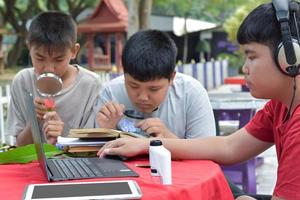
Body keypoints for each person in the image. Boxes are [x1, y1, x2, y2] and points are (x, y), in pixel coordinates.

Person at [98, 1, 300, 199]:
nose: (244, 68)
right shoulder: (280, 105)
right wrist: (146, 145)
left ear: (290, 58)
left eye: (252, 57)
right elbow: (228, 147)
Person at [95, 29, 216, 139]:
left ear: (171, 78)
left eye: (153, 89)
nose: (142, 97)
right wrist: (105, 132)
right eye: (133, 86)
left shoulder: (191, 93)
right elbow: (92, 155)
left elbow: (207, 153)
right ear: (123, 74)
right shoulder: (110, 93)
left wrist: (169, 139)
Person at [6, 11, 101, 146]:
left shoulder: (91, 85)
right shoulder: (22, 82)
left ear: (74, 51)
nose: (49, 68)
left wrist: (61, 139)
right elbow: (20, 146)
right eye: (40, 58)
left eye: (58, 59)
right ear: (29, 48)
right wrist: (34, 120)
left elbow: (91, 146)